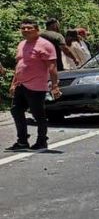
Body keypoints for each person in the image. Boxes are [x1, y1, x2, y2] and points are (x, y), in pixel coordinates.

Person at [7, 19, 60, 151]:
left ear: (37, 30)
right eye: (23, 28)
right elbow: (19, 65)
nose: (25, 30)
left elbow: (52, 67)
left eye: (29, 28)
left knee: (38, 114)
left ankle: (42, 140)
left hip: (36, 86)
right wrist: (14, 83)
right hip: (21, 85)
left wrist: (54, 86)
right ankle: (22, 141)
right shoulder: (21, 44)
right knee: (16, 110)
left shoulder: (45, 45)